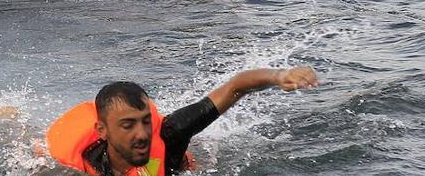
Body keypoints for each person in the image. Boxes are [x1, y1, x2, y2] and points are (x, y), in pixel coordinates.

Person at [47, 68, 319, 175]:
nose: (142, 134)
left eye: (145, 121)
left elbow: (236, 87)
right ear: (102, 131)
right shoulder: (82, 157)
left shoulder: (170, 134)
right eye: (128, 125)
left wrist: (279, 76)